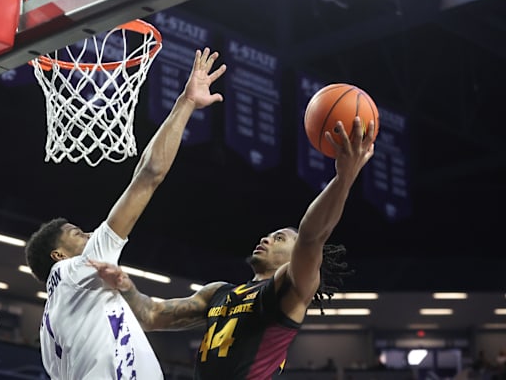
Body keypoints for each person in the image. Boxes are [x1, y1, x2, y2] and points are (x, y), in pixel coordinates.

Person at [90, 115, 376, 379]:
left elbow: (312, 236)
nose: (266, 239)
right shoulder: (217, 293)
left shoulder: (288, 290)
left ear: (296, 255)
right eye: (269, 235)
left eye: (279, 238)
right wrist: (126, 286)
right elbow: (151, 316)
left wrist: (343, 179)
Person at [24, 47, 227, 380]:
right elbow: (148, 176)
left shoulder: (51, 332)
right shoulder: (79, 269)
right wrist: (186, 102)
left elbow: (151, 315)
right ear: (58, 255)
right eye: (78, 233)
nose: (90, 235)